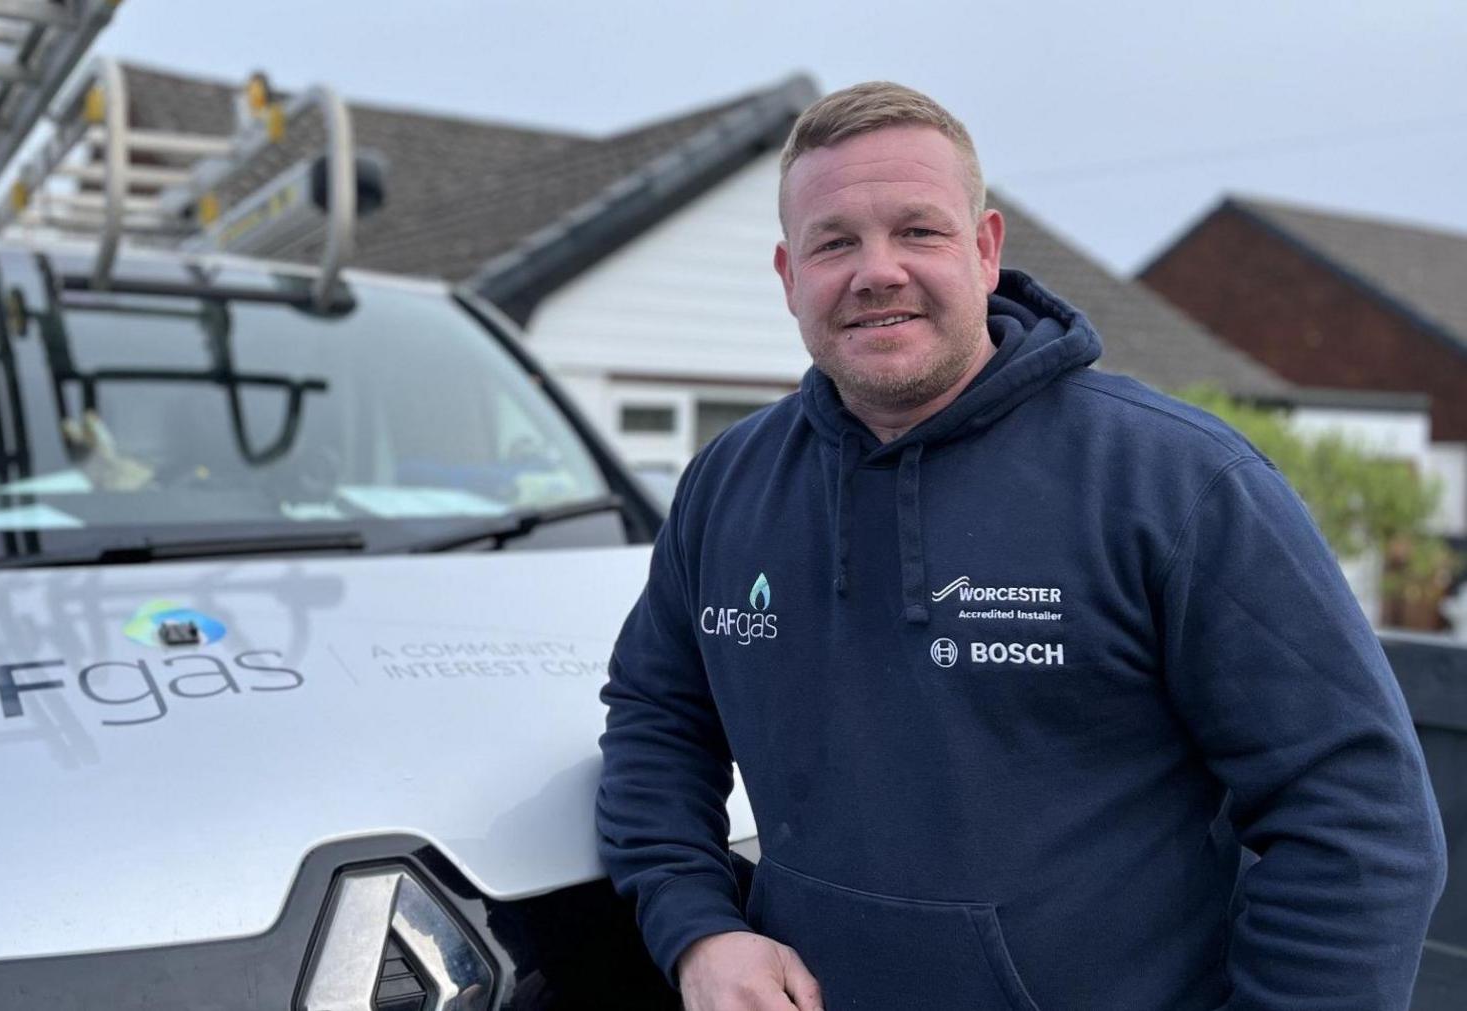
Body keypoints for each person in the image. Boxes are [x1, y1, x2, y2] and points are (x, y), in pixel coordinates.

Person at [595, 81, 1447, 1011]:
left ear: (986, 250)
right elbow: (657, 718)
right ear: (788, 275)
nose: (876, 270)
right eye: (834, 241)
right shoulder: (728, 485)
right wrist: (698, 927)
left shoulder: (1179, 484)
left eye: (918, 230)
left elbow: (1360, 823)